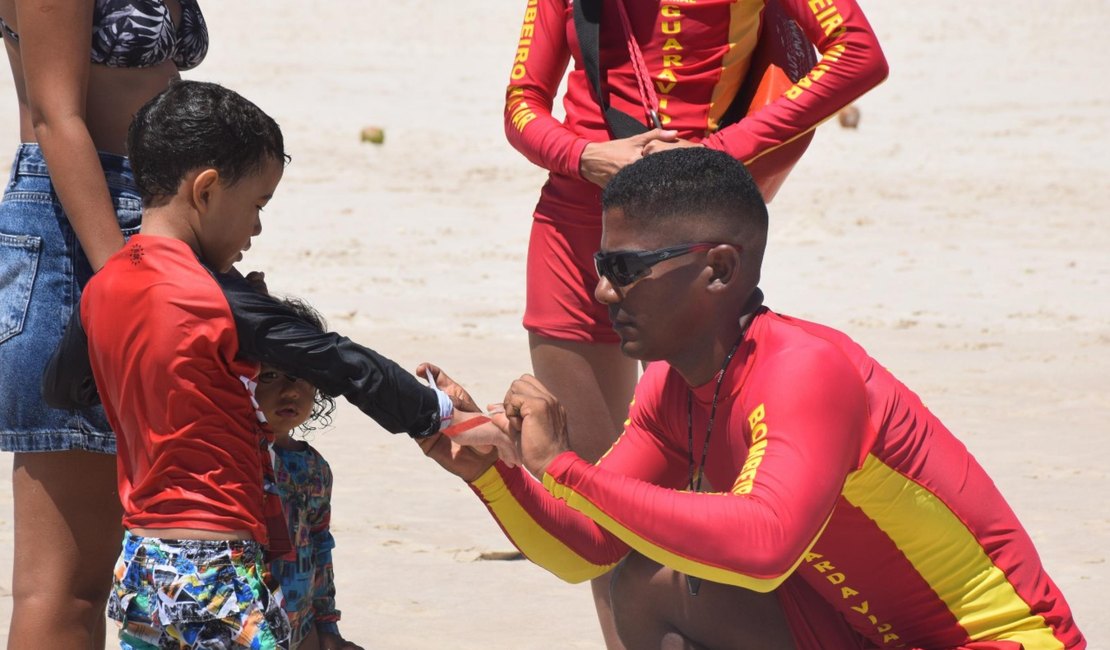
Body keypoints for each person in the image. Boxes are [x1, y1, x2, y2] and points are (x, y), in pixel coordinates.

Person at [420, 148, 1086, 649]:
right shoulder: (672, 391)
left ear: (719, 269)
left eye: (624, 269)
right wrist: (497, 470)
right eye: (601, 267)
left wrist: (564, 468)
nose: (602, 293)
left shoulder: (806, 370)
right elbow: (588, 552)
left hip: (999, 641)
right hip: (866, 633)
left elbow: (766, 549)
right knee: (641, 585)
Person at [42, 79, 510, 649]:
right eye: (257, 204)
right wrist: (441, 414)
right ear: (208, 190)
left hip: (143, 566)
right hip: (216, 567)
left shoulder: (104, 288)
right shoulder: (217, 299)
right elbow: (342, 363)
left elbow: (67, 389)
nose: (256, 229)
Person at [503, 1, 889, 642]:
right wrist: (583, 155)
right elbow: (522, 103)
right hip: (573, 226)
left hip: (688, 234)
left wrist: (715, 157)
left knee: (711, 498)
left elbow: (859, 55)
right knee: (587, 487)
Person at [0, 1, 207, 646]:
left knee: (107, 571)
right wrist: (123, 273)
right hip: (83, 228)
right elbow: (56, 115)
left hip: (144, 218)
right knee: (66, 582)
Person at [255, 297, 363, 650]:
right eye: (269, 376)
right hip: (244, 622)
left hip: (300, 626)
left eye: (303, 377)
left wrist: (327, 625)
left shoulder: (314, 469)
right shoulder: (235, 461)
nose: (290, 391)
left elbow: (320, 548)